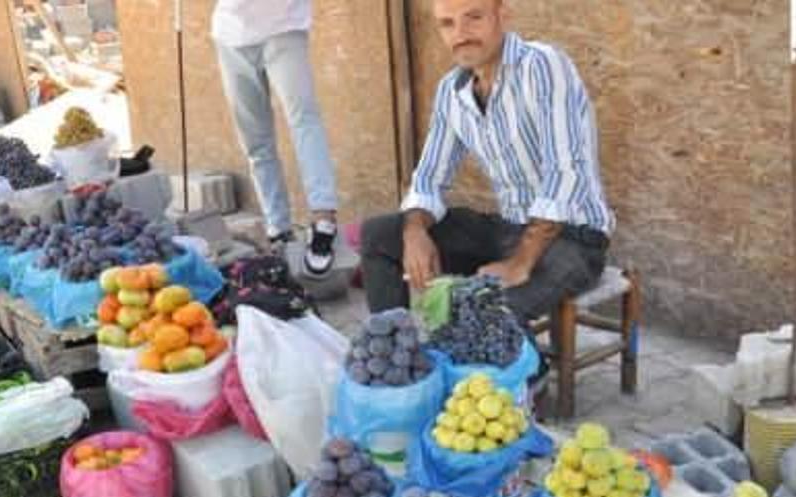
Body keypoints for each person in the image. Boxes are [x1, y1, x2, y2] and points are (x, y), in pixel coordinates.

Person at [361, 0, 614, 324]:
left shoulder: (543, 65)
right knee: (379, 235)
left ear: (503, 14)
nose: (461, 34)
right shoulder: (451, 92)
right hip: (506, 229)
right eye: (447, 23)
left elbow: (566, 172)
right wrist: (414, 233)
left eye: (474, 17)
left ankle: (526, 371)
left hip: (572, 240)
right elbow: (428, 179)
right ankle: (394, 351)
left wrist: (520, 263)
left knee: (483, 315)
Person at [211, 0, 340, 277]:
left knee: (304, 121)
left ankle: (323, 218)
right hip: (231, 35)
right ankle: (278, 228)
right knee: (256, 141)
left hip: (283, 26)